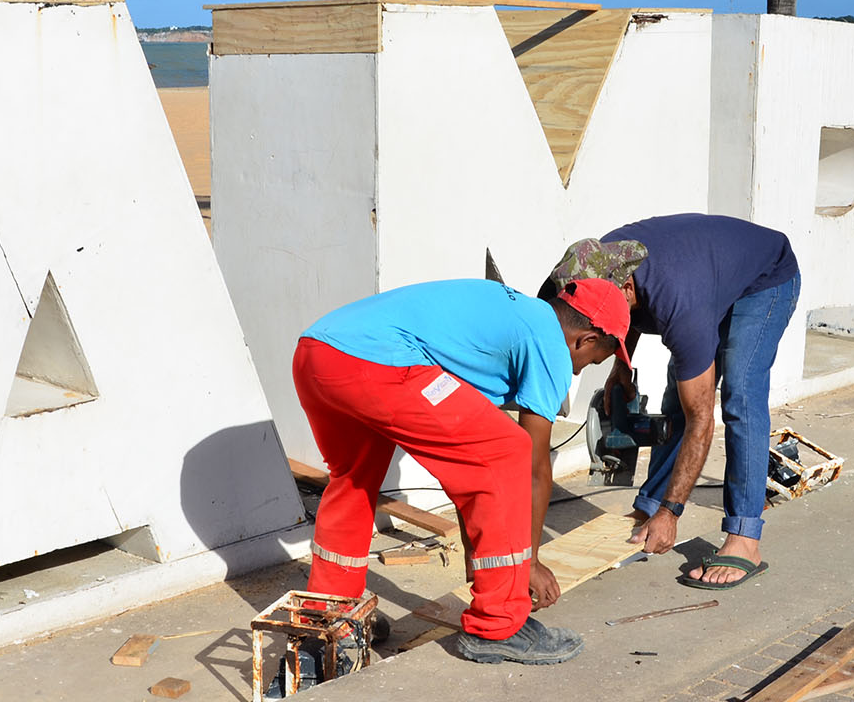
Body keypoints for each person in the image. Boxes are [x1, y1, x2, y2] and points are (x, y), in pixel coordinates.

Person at [292, 277, 631, 667]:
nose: (577, 372)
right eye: (591, 363)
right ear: (585, 340)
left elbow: (465, 470)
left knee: (354, 479)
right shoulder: (550, 343)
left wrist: (480, 559)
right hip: (377, 362)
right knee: (508, 449)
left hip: (317, 353)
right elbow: (534, 468)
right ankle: (498, 625)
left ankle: (334, 614)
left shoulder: (507, 320)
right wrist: (529, 565)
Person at [544, 214, 800, 591]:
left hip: (764, 278)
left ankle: (744, 538)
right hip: (708, 274)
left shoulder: (679, 302)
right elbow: (613, 316)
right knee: (675, 398)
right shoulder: (597, 261)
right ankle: (648, 508)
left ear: (628, 289)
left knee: (739, 398)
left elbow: (701, 421)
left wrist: (673, 512)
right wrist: (621, 365)